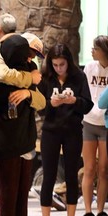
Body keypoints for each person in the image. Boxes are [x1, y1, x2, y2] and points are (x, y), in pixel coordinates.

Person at [0, 13, 44, 216]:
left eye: (35, 57)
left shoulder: (28, 63)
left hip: (18, 136)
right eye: (31, 53)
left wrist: (28, 92)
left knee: (17, 192)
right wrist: (27, 78)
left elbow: (41, 100)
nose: (32, 59)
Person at [37, 44, 94, 216]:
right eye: (55, 65)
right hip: (50, 131)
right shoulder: (46, 78)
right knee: (48, 176)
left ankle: (71, 214)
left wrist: (74, 101)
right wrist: (50, 104)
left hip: (72, 131)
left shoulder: (79, 77)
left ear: (68, 62)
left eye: (62, 64)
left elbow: (88, 105)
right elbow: (39, 108)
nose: (59, 68)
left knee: (71, 176)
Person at [81, 35, 108, 216]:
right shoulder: (89, 67)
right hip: (89, 122)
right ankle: (88, 211)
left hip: (106, 124)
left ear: (104, 51)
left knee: (104, 169)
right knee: (89, 168)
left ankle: (100, 211)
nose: (91, 51)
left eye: (95, 48)